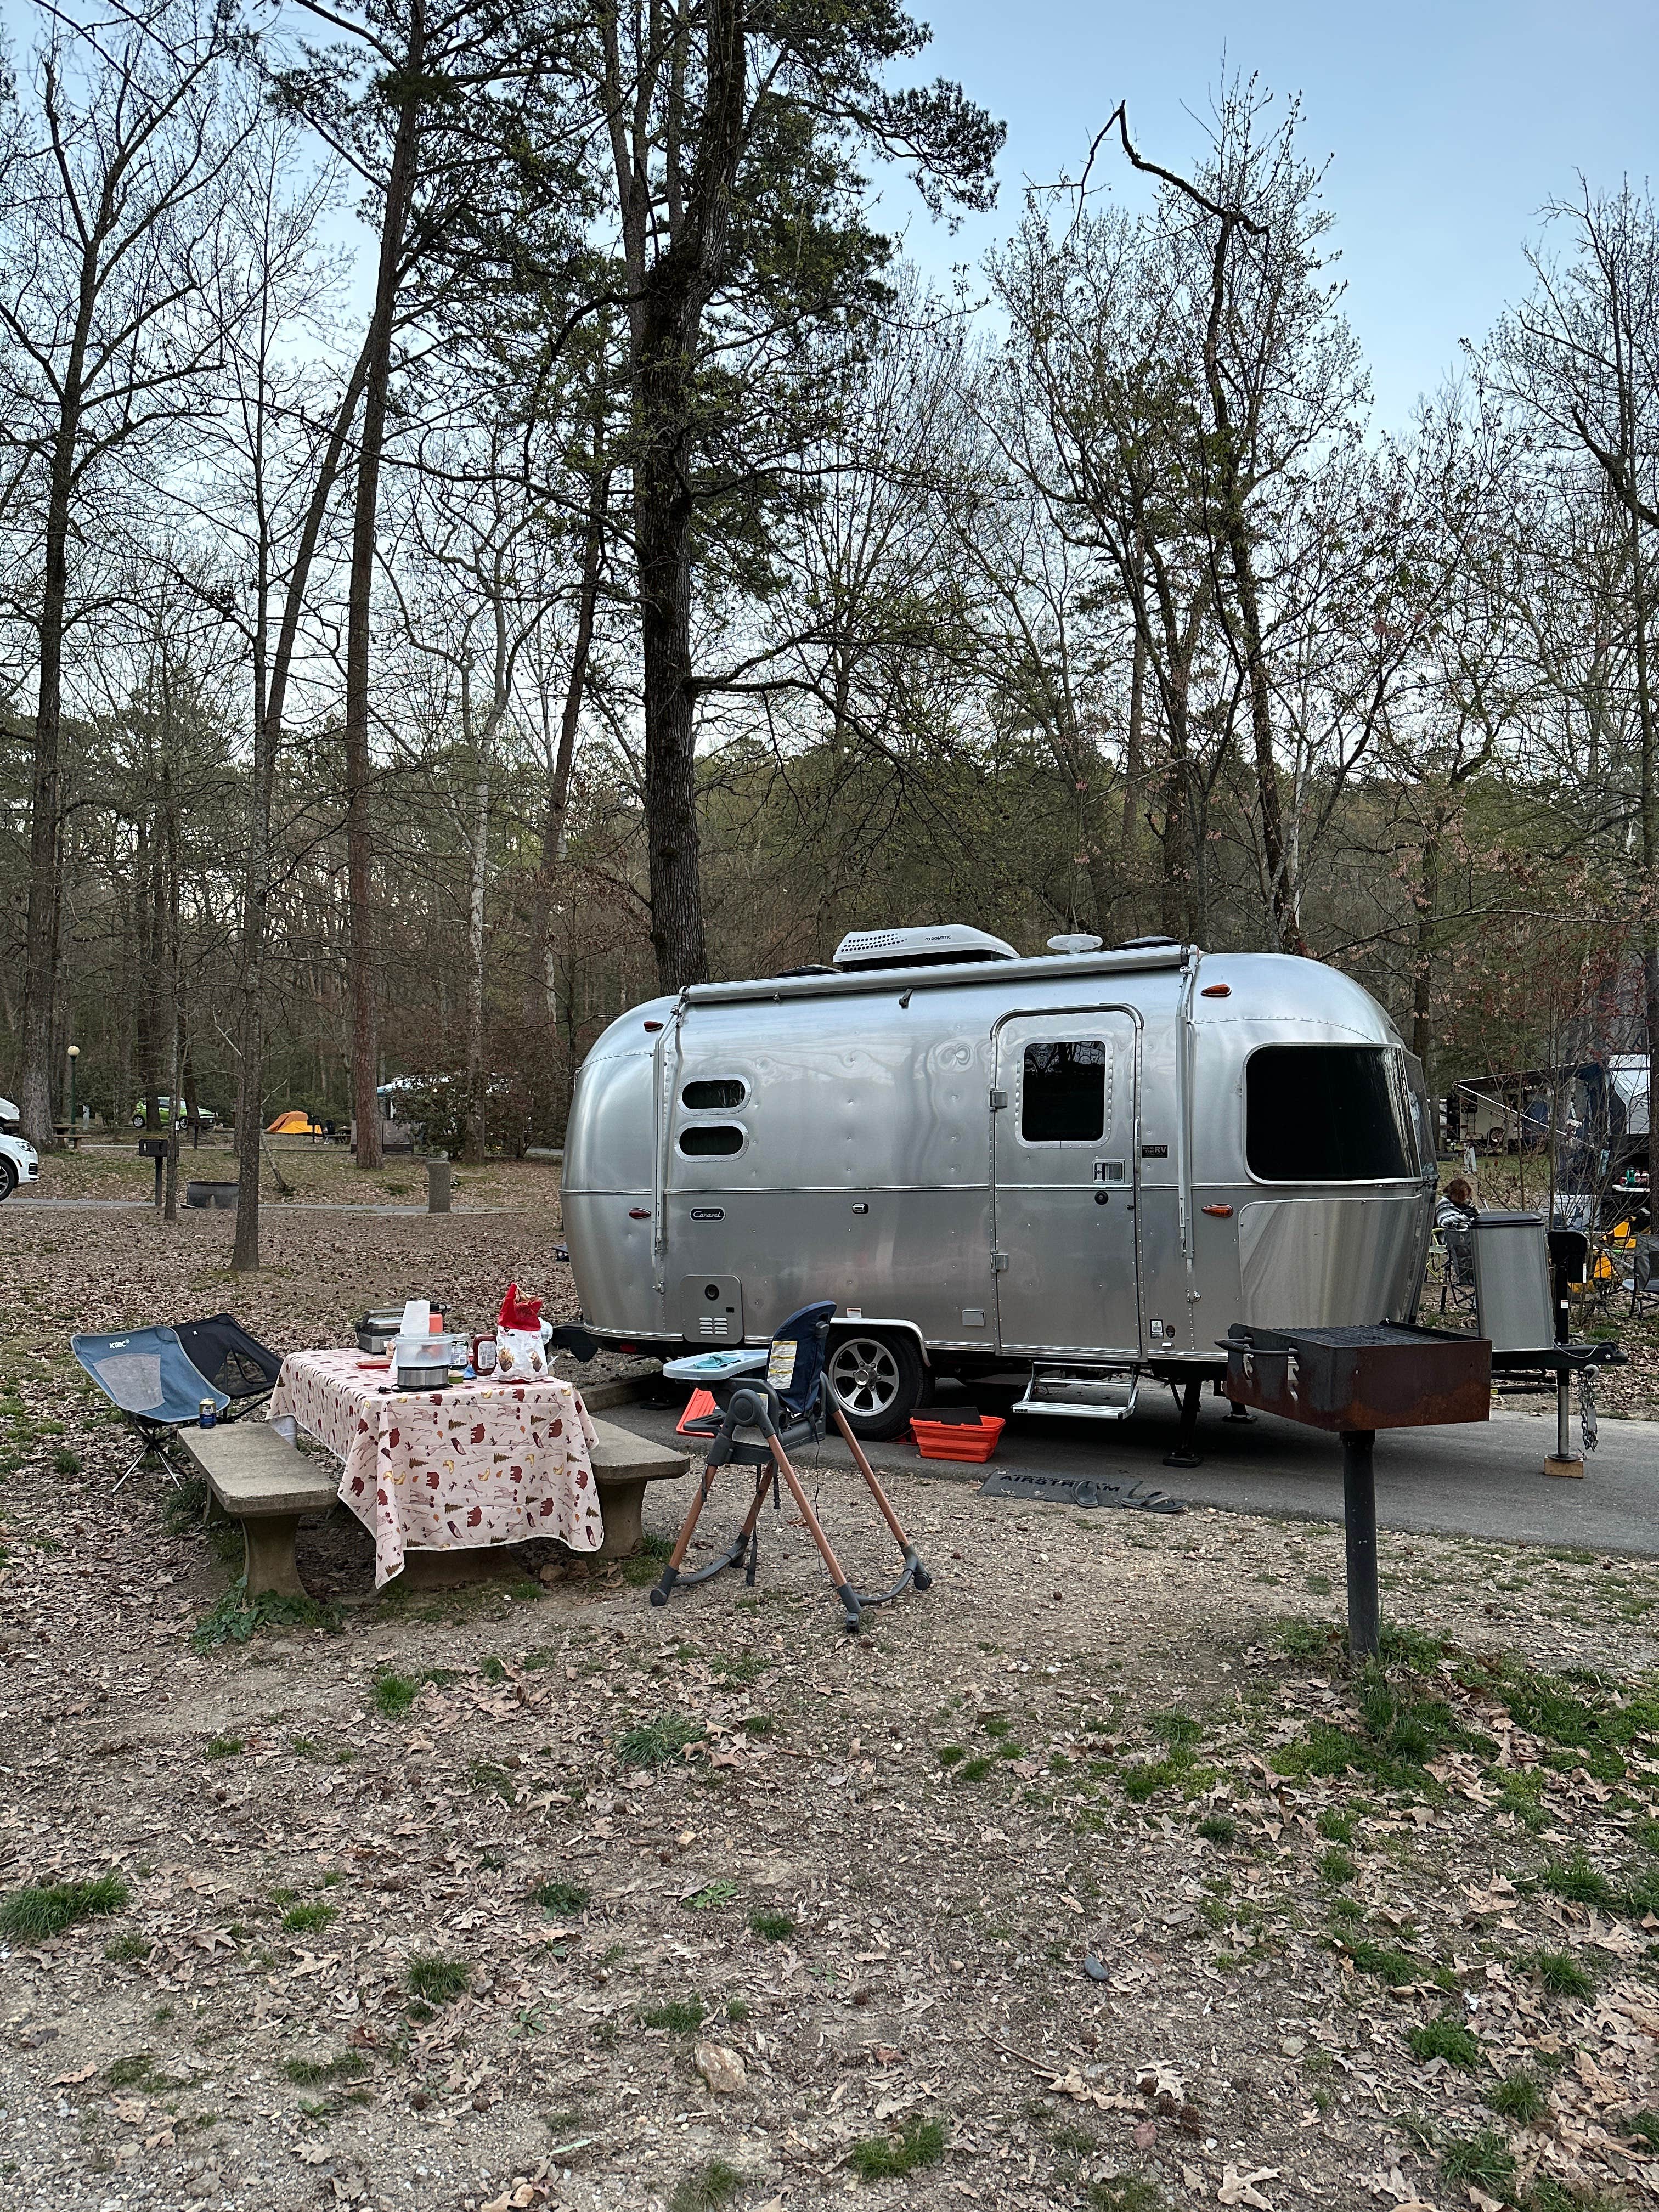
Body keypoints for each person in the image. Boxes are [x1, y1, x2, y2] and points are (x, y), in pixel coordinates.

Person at [1436, 1176, 1479, 1287]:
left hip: (1468, 1236)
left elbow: (1477, 1215)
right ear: (1454, 1194)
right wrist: (1469, 1220)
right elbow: (1445, 1221)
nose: (1464, 1198)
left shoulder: (1467, 1205)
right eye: (1462, 1196)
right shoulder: (1444, 1205)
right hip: (1453, 1239)